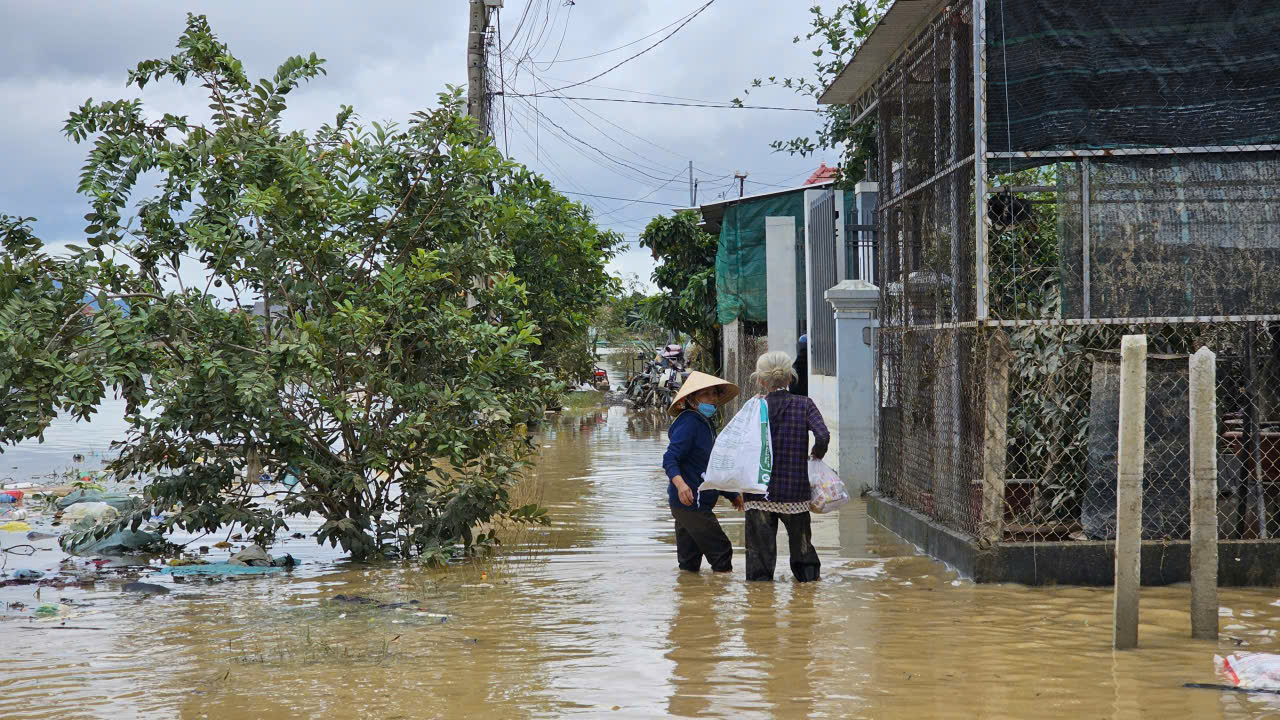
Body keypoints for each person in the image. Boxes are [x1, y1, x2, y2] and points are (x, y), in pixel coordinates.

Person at [744, 351, 829, 582]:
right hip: (795, 491)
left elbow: (739, 445)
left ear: (761, 380)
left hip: (758, 491)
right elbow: (822, 435)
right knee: (803, 550)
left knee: (759, 557)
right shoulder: (804, 405)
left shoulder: (754, 407)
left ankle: (760, 605)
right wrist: (815, 455)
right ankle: (808, 593)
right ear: (790, 377)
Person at [662, 371, 746, 573]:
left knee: (689, 563)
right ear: (691, 400)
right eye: (705, 394)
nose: (712, 398)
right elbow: (670, 458)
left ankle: (691, 599)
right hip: (691, 503)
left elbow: (708, 469)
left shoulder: (705, 424)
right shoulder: (690, 423)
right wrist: (681, 486)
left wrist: (732, 495)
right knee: (722, 551)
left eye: (714, 394)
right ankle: (721, 596)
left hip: (689, 503)